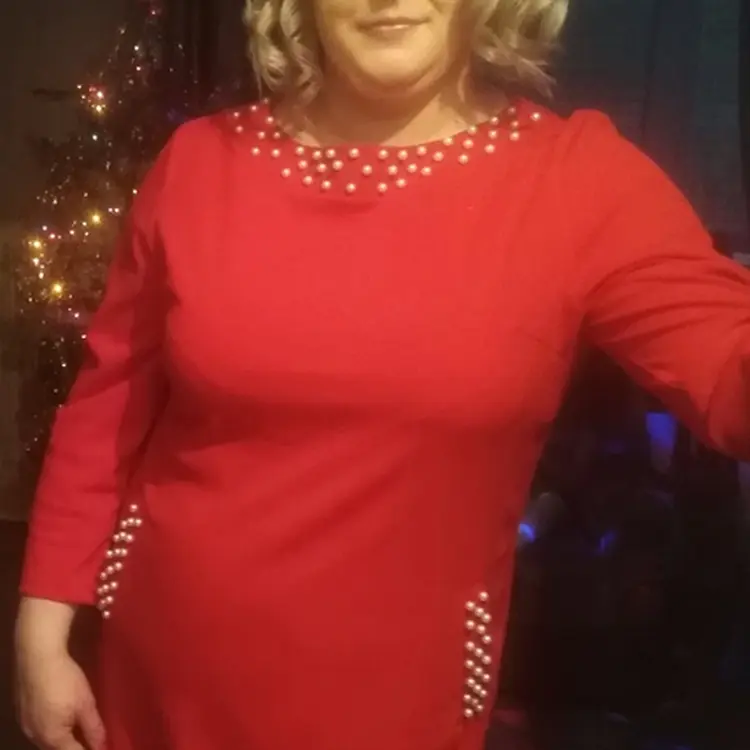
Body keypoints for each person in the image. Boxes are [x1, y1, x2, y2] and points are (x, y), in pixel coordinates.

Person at [14, 1, 750, 749]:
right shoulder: (200, 161)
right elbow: (108, 403)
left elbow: (727, 366)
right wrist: (42, 622)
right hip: (162, 677)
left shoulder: (579, 180)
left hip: (398, 703)